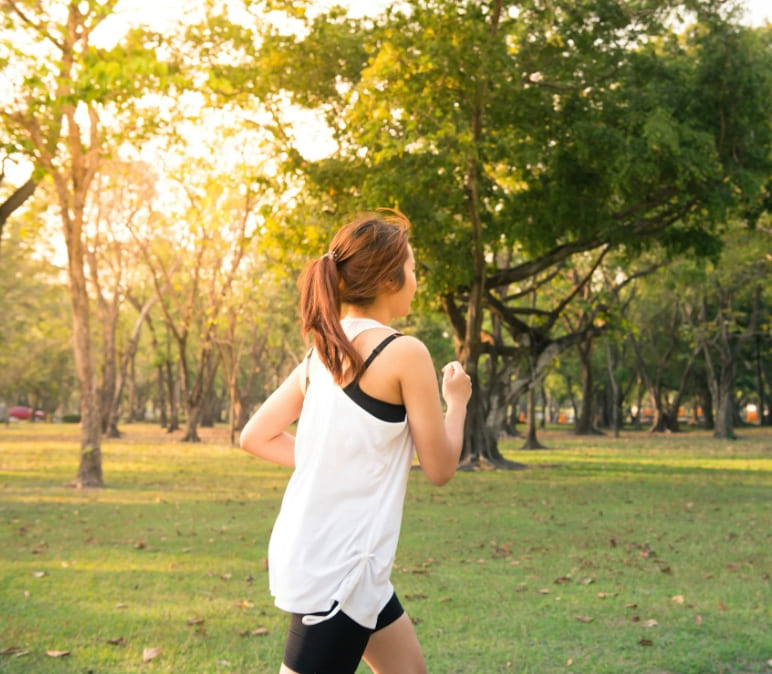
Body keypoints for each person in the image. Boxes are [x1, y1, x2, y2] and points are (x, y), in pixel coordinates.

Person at [240, 210, 472, 674]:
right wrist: (457, 401)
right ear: (388, 278)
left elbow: (255, 436)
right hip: (339, 571)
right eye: (411, 269)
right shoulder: (404, 353)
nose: (416, 280)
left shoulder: (322, 352)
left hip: (350, 564)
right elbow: (441, 467)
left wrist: (332, 463)